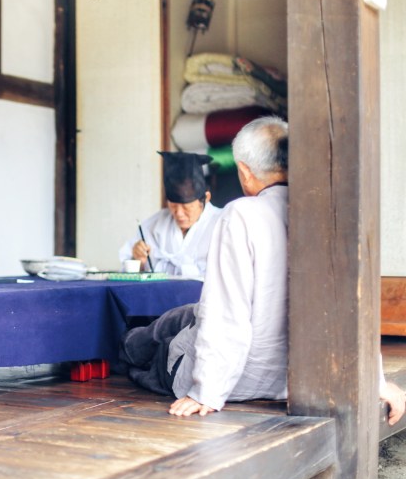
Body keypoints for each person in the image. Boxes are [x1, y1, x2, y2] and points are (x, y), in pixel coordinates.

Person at [119, 117, 406, 425]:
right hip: (291, 380)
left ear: (244, 171)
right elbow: (355, 307)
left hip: (239, 382)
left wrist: (206, 391)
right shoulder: (325, 212)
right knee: (187, 313)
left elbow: (227, 313)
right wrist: (375, 381)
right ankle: (134, 342)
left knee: (143, 356)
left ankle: (127, 348)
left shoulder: (241, 214)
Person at [118, 152, 222, 278]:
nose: (178, 213)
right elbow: (127, 270)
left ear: (206, 198)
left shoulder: (222, 224)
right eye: (173, 206)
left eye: (186, 207)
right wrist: (137, 260)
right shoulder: (153, 225)